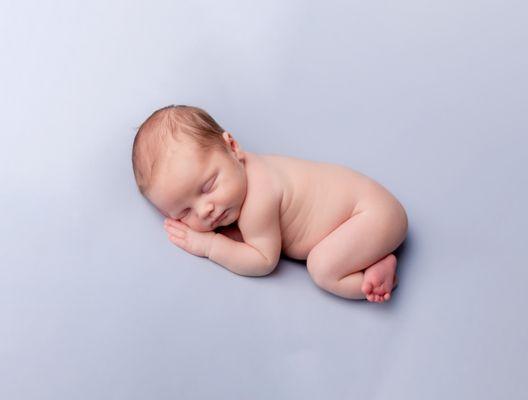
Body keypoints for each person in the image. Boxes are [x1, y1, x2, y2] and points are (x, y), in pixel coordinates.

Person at [131, 105, 408, 302]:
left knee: (322, 268)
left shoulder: (259, 199)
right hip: (369, 210)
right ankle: (375, 258)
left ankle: (377, 282)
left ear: (233, 147)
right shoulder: (241, 171)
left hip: (371, 215)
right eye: (185, 211)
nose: (206, 210)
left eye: (208, 187)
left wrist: (209, 246)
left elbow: (263, 260)